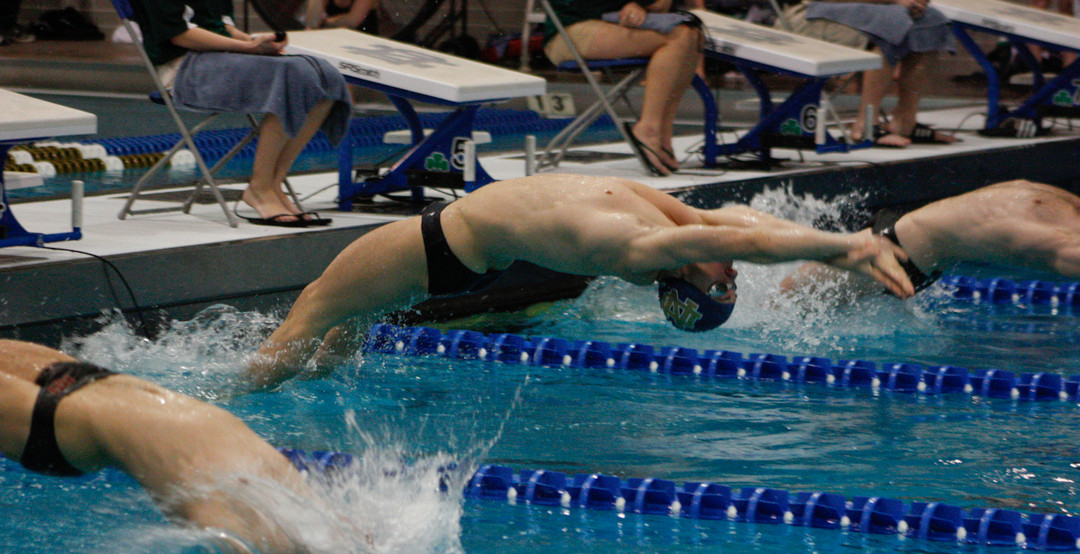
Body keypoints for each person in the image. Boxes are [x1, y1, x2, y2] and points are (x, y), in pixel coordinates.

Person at [247, 174, 915, 389]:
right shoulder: (666, 223)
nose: (732, 271)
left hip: (434, 247)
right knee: (343, 327)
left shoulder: (636, 250)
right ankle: (306, 392)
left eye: (723, 282)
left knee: (308, 314)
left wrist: (848, 248)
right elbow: (732, 220)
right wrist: (837, 251)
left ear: (687, 280)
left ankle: (237, 399)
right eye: (732, 280)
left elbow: (731, 238)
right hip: (451, 250)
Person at [0, 339, 344, 554]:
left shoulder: (226, 478)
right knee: (327, 553)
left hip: (105, 400)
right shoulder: (212, 490)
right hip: (188, 424)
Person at [132, 0, 353, 227]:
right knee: (292, 76)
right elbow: (179, 35)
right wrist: (249, 48)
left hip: (222, 56)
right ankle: (260, 187)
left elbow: (220, 24)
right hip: (184, 67)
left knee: (328, 76)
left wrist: (255, 41)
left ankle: (272, 183)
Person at [782, 180, 1080, 294]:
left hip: (908, 237)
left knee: (793, 299)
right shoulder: (1055, 238)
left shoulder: (1060, 204)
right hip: (894, 252)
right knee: (783, 305)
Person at [542, 0, 704, 175]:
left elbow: (659, 6)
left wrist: (640, 5)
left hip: (609, 22)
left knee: (692, 35)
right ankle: (648, 128)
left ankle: (663, 131)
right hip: (569, 32)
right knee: (677, 38)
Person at [780, 0, 956, 148]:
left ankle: (904, 122)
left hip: (870, 10)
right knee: (893, 21)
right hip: (814, 11)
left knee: (933, 20)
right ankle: (864, 125)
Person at [306, 0, 382, 33]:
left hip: (361, 39)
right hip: (333, 37)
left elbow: (353, 21)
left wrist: (325, 23)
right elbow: (312, 23)